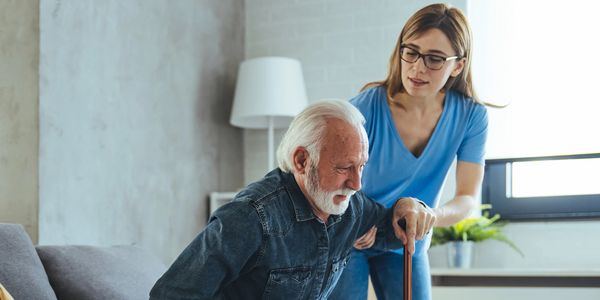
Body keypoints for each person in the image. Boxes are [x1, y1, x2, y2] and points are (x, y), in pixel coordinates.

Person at [149, 100, 435, 299]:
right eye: (343, 168)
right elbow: (172, 294)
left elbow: (394, 230)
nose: (356, 183)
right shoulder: (251, 216)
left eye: (361, 166)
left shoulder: (349, 206)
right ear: (301, 160)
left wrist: (410, 206)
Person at [330, 3, 490, 300]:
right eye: (411, 52)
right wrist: (355, 219)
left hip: (409, 239)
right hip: (352, 236)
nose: (418, 68)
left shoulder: (471, 117)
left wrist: (429, 214)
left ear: (457, 65)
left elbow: (467, 198)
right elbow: (333, 180)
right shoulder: (366, 107)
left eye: (434, 59)